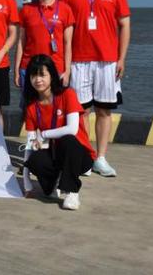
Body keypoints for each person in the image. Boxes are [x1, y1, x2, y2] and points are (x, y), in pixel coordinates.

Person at [58, 0, 131, 177]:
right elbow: (61, 29)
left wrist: (121, 58)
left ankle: (101, 157)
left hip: (107, 60)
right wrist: (63, 63)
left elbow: (125, 25)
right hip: (78, 61)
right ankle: (85, 156)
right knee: (80, 112)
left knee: (104, 111)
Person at [22, 55, 96, 210]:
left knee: (68, 139)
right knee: (35, 160)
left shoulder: (67, 94)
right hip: (54, 153)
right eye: (33, 75)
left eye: (42, 75)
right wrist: (26, 182)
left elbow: (72, 129)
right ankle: (54, 182)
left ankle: (72, 192)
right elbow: (29, 143)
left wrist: (43, 134)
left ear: (52, 76)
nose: (38, 80)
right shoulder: (31, 107)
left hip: (78, 155)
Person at [14, 0, 74, 90]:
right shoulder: (26, 10)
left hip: (56, 68)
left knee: (55, 102)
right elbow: (21, 42)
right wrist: (16, 70)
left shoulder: (65, 9)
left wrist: (67, 71)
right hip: (28, 68)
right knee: (29, 102)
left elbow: (68, 43)